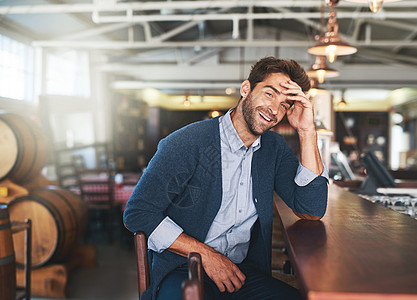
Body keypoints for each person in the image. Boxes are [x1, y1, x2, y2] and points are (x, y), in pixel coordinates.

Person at [123, 56, 329, 300]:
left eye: (285, 104)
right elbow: (138, 213)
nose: (274, 109)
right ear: (246, 89)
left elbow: (311, 209)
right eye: (270, 94)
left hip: (240, 274)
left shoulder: (274, 148)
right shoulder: (187, 142)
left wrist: (307, 131)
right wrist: (207, 256)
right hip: (182, 270)